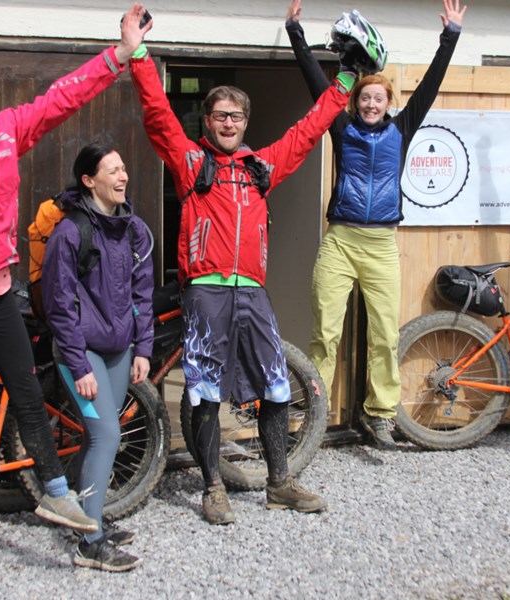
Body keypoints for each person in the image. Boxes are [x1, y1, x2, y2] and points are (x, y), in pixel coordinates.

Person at [0, 4, 150, 532]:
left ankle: (58, 496)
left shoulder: (7, 133)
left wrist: (121, 53)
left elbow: (64, 96)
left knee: (26, 395)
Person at [128, 12, 357, 525]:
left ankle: (280, 483)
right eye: (219, 116)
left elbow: (310, 129)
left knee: (277, 387)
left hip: (252, 292)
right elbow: (158, 114)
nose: (228, 123)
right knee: (205, 392)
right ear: (206, 122)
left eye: (235, 116)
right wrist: (139, 55)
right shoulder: (191, 163)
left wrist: (345, 79)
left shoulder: (261, 169)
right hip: (206, 292)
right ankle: (213, 488)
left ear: (246, 123)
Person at [285, 0, 467, 450]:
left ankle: (380, 415)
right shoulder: (341, 128)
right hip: (341, 242)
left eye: (378, 98)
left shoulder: (401, 131)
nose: (370, 103)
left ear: (389, 104)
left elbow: (431, 84)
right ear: (356, 101)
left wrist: (450, 37)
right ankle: (316, 413)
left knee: (384, 335)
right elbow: (316, 84)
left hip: (382, 245)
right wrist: (295, 34)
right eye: (364, 97)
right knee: (325, 334)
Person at [41, 144, 154, 572]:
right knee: (107, 434)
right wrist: (79, 364)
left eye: (123, 168)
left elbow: (142, 293)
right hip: (81, 350)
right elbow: (59, 305)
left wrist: (143, 348)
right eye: (113, 171)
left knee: (97, 437)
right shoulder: (70, 232)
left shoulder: (134, 229)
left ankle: (91, 520)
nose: (123, 177)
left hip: (119, 349)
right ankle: (90, 544)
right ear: (89, 180)